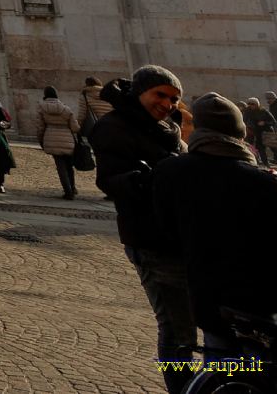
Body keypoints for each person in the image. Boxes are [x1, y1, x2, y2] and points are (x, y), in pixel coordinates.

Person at [151, 93, 277, 370]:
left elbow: (165, 232)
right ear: (239, 132)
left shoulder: (168, 171)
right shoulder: (262, 181)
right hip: (260, 298)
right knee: (265, 368)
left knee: (221, 362)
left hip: (206, 292)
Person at [90, 65, 194, 394]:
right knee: (176, 330)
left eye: (174, 98)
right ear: (140, 92)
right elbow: (109, 180)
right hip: (149, 237)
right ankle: (182, 388)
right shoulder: (113, 127)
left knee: (189, 324)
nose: (167, 103)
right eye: (160, 95)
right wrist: (159, 174)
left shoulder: (167, 126)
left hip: (181, 236)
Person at [35, 85, 83, 198]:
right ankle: (73, 187)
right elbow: (75, 128)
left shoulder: (42, 108)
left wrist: (41, 139)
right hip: (67, 138)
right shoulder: (66, 109)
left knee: (60, 166)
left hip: (51, 138)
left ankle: (68, 191)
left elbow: (40, 127)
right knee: (69, 165)